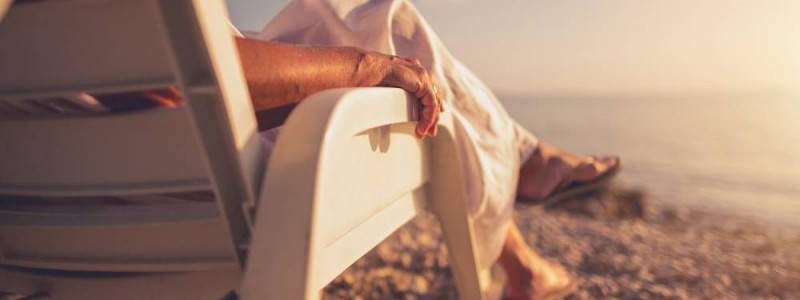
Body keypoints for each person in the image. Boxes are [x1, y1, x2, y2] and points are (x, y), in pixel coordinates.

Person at [0, 0, 619, 299]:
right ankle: (524, 168)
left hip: (56, 210)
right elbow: (156, 71)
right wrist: (367, 69)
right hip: (217, 179)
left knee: (358, 15)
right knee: (386, 24)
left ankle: (521, 250)